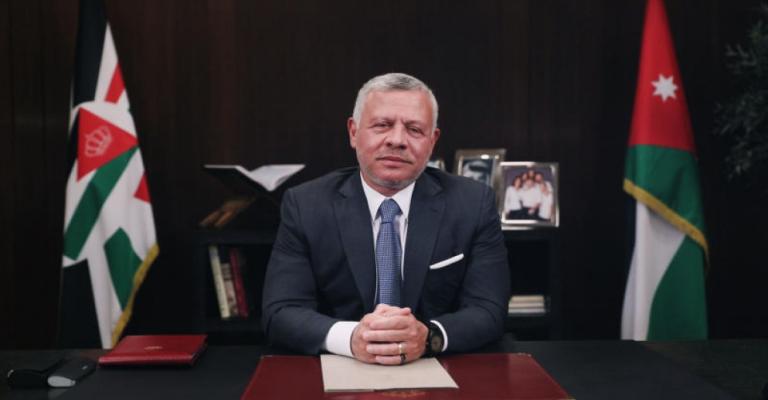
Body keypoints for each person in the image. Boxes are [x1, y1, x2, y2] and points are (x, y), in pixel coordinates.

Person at [262, 72, 510, 366]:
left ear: (432, 141)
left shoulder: (472, 203)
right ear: (353, 132)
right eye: (382, 125)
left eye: (414, 129)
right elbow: (281, 312)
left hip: (437, 365)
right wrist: (353, 338)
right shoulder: (306, 205)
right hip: (338, 366)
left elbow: (489, 310)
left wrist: (428, 337)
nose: (397, 140)